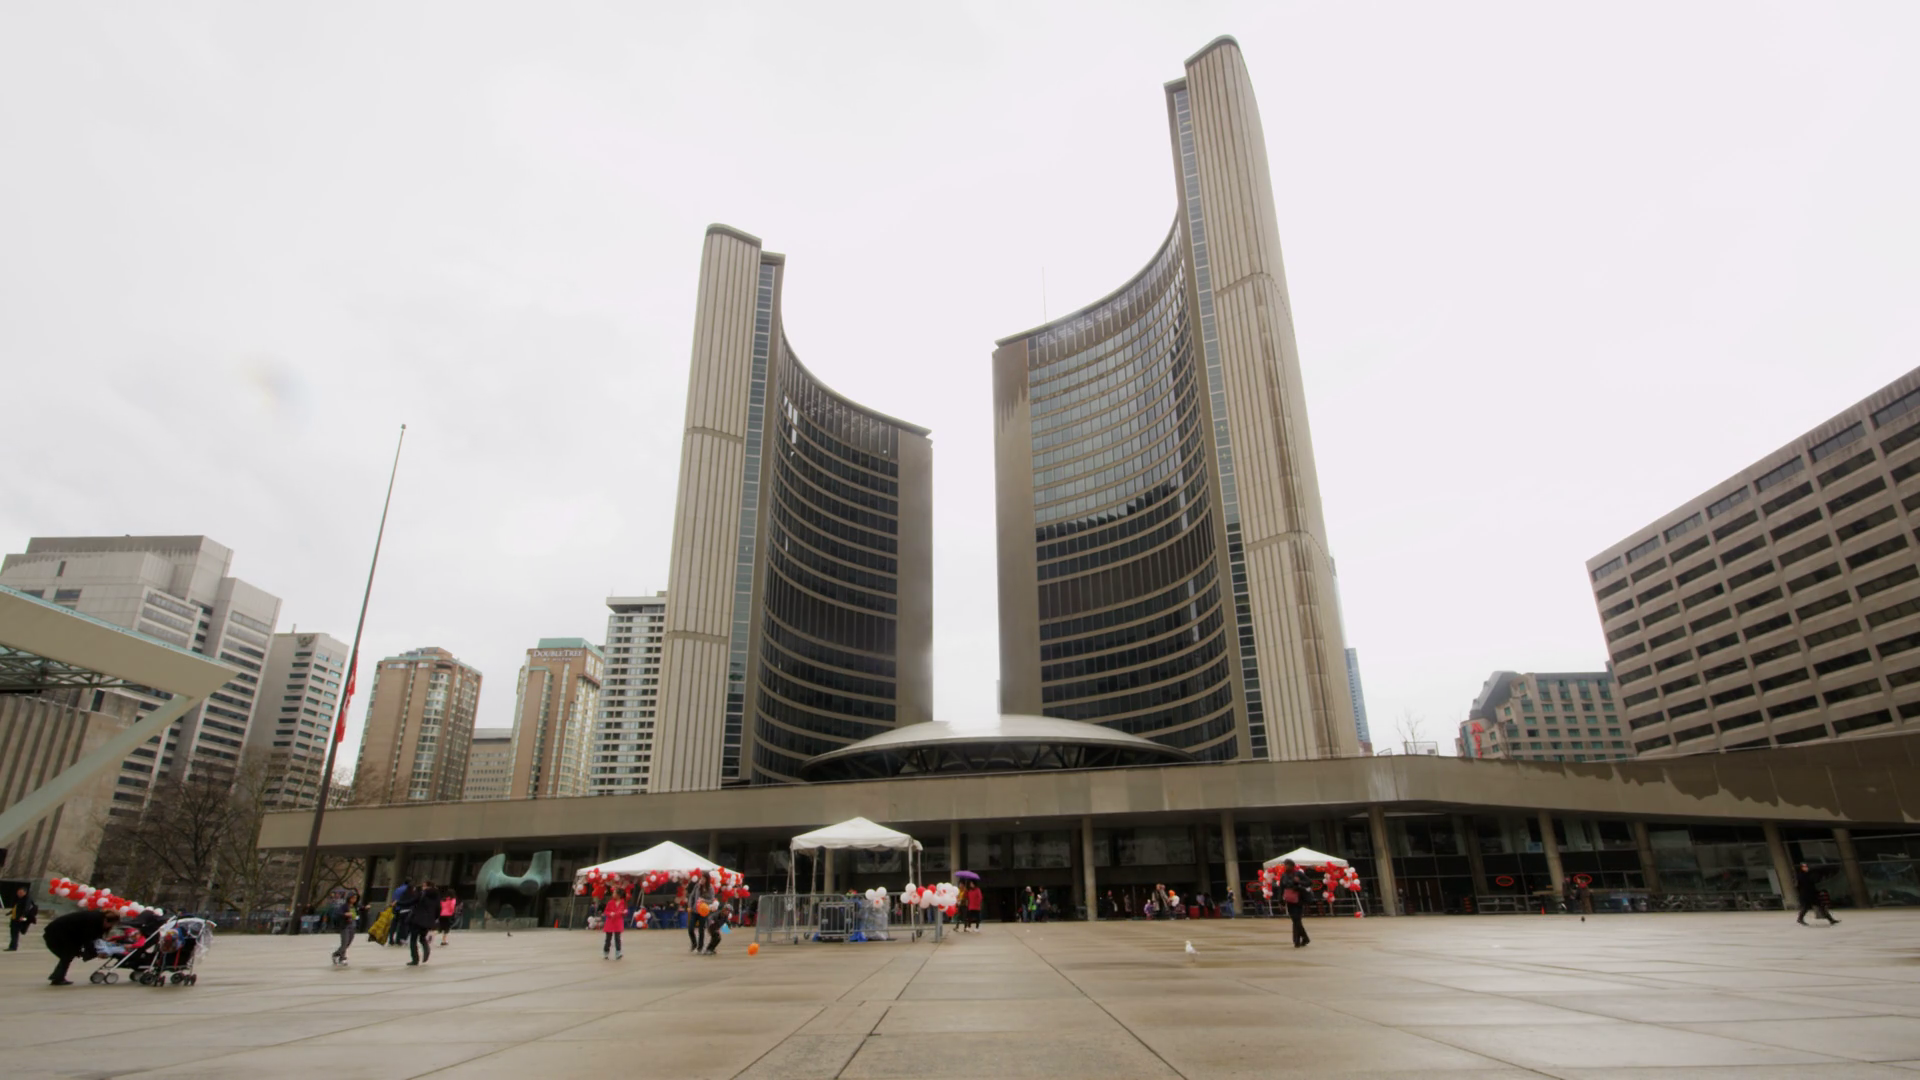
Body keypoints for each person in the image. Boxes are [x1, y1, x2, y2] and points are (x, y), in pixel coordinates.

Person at [43, 909, 117, 986]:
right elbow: (87, 939)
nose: (110, 927)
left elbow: (88, 938)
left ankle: (57, 977)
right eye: (111, 925)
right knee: (68, 955)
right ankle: (57, 978)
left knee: (68, 955)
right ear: (106, 921)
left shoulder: (96, 918)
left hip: (60, 932)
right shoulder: (93, 921)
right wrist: (95, 953)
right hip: (58, 933)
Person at [1278, 859, 1315, 948]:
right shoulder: (1284, 875)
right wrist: (1280, 901)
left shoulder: (1298, 873)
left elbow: (1309, 882)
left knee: (1296, 919)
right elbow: (1281, 888)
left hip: (1299, 900)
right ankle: (1304, 938)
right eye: (1285, 865)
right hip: (1289, 900)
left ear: (1292, 865)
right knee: (1295, 920)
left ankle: (1297, 941)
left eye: (1287, 865)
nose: (1285, 866)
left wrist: (1299, 882)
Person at [407, 881, 440, 965]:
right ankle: (426, 949)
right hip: (428, 921)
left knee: (413, 940)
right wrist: (433, 919)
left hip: (417, 920)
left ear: (428, 886)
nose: (423, 887)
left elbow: (412, 902)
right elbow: (438, 909)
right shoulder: (437, 896)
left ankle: (415, 959)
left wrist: (398, 903)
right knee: (422, 938)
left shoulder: (422, 893)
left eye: (424, 886)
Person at [332, 890, 361, 966]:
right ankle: (342, 958)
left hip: (353, 926)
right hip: (345, 926)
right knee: (344, 943)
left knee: (348, 943)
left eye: (355, 898)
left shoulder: (356, 906)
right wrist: (345, 914)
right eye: (353, 898)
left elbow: (360, 911)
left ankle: (336, 954)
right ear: (349, 898)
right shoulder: (344, 906)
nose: (354, 900)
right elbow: (338, 913)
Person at [7, 885, 38, 951]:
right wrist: (10, 912)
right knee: (13, 932)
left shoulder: (27, 899)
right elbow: (16, 908)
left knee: (15, 932)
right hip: (15, 918)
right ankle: (13, 946)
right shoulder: (20, 899)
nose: (19, 894)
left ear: (25, 892)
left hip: (20, 918)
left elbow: (26, 909)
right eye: (18, 892)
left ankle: (13, 947)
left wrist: (22, 917)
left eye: (20, 893)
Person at [602, 889, 628, 960]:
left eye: (614, 893)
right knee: (608, 939)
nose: (613, 894)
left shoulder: (623, 902)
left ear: (619, 895)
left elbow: (625, 911)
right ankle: (606, 952)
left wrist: (625, 912)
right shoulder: (610, 902)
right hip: (610, 922)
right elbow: (606, 911)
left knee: (617, 939)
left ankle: (618, 953)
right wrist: (610, 913)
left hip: (618, 922)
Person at [686, 880, 711, 953]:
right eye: (701, 878)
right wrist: (690, 905)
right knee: (690, 928)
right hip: (695, 911)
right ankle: (694, 943)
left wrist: (704, 900)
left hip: (703, 911)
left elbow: (712, 900)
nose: (702, 880)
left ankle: (700, 947)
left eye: (704, 878)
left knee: (701, 930)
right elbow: (691, 896)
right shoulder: (697, 886)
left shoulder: (710, 888)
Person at [390, 881, 415, 948]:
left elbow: (394, 898)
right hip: (403, 908)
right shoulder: (408, 889)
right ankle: (399, 940)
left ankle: (391, 939)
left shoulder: (398, 889)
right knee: (403, 926)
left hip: (396, 908)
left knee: (394, 924)